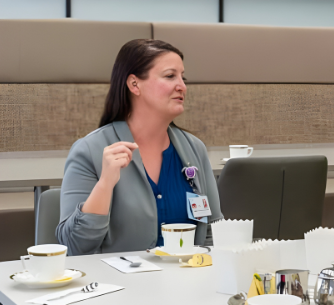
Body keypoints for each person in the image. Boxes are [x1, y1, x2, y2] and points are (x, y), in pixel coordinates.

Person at [57, 39, 222, 255]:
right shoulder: (89, 150)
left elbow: (213, 232)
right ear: (134, 85)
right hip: (119, 285)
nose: (182, 86)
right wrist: (105, 184)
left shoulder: (194, 149)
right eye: (170, 76)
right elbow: (73, 247)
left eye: (183, 77)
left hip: (188, 282)